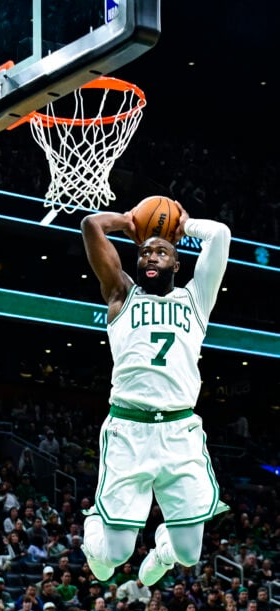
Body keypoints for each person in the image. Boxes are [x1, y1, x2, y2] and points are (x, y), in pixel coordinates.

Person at [79, 205, 231, 586]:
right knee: (113, 557)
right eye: (144, 252)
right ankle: (93, 527)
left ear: (177, 264)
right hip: (131, 429)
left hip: (179, 432)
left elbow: (221, 236)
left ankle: (164, 550)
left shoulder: (196, 300)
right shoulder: (121, 294)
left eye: (161, 252)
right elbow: (90, 225)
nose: (151, 256)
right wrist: (128, 221)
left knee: (188, 554)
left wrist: (184, 225)